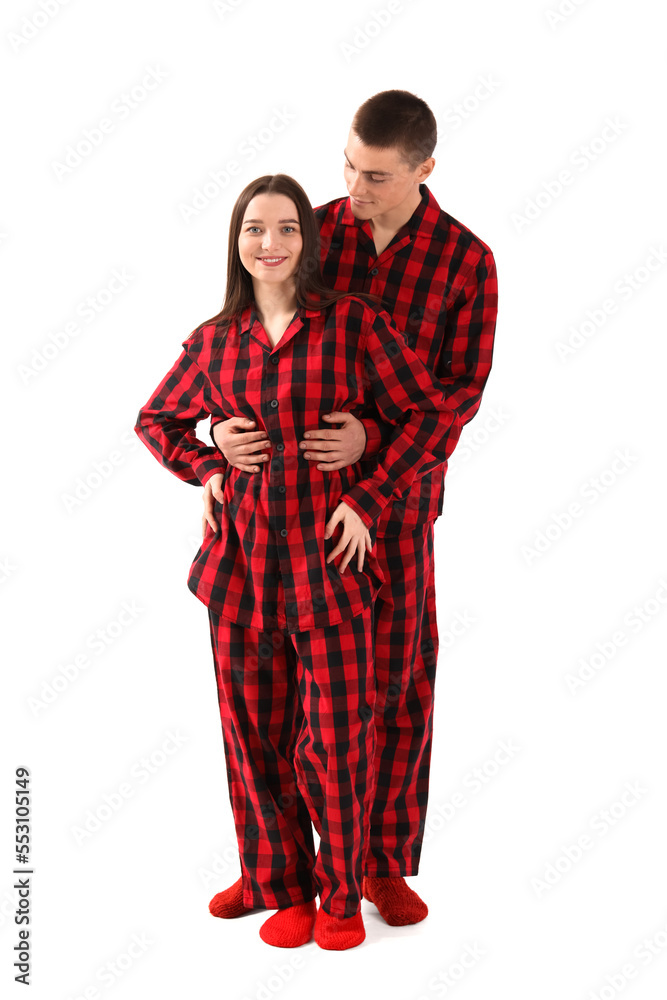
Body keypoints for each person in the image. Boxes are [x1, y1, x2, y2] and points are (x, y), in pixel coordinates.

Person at [134, 173, 462, 950]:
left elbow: (425, 416)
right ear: (236, 243)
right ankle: (275, 879)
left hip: (331, 570)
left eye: (286, 228)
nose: (270, 243)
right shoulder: (214, 341)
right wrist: (208, 458)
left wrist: (367, 496)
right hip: (241, 570)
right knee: (252, 728)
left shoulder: (352, 325)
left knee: (337, 732)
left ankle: (342, 891)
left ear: (308, 242)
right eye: (254, 229)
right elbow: (155, 421)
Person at [206, 90, 499, 927]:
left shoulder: (465, 262)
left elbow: (454, 400)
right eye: (346, 166)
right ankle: (276, 873)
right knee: (274, 698)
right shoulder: (310, 231)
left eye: (373, 175)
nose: (352, 187)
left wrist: (372, 451)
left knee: (395, 686)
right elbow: (245, 336)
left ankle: (377, 866)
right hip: (283, 517)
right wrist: (214, 456)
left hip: (396, 509)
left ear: (423, 170)